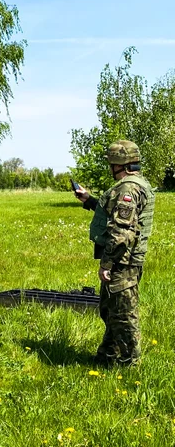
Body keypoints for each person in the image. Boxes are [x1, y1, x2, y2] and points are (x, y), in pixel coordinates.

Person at [74, 141, 155, 366]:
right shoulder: (135, 184)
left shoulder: (128, 188)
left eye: (111, 164)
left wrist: (106, 264)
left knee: (124, 316)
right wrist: (88, 200)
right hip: (124, 260)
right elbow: (116, 213)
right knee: (111, 311)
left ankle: (130, 365)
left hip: (122, 261)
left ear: (118, 165)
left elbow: (122, 232)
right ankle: (108, 357)